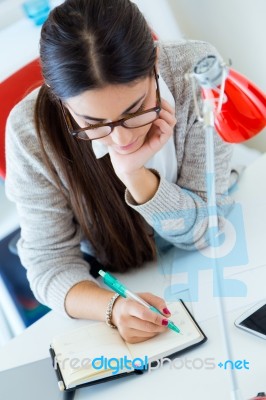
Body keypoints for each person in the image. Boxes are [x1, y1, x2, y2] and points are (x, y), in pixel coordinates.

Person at [5, 0, 233, 343]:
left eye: (135, 109)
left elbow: (206, 231)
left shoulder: (193, 70)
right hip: (126, 279)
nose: (122, 138)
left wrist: (135, 175)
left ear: (154, 61)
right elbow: (50, 266)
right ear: (59, 99)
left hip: (217, 264)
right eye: (93, 123)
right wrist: (112, 308)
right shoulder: (28, 132)